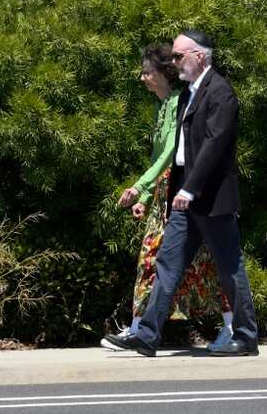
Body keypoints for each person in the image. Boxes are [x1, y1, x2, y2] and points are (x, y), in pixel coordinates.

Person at [104, 30, 258, 357]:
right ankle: (146, 335)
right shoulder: (188, 94)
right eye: (173, 57)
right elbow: (179, 148)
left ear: (199, 56)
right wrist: (165, 190)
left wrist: (190, 188)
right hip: (183, 196)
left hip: (211, 195)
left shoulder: (221, 93)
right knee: (167, 262)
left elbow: (214, 147)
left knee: (230, 266)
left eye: (179, 56)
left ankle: (245, 337)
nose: (174, 63)